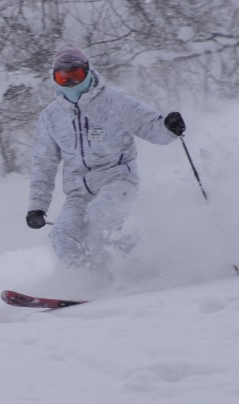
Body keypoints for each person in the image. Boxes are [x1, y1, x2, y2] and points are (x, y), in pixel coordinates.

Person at [26, 45, 186, 270]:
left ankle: (137, 267)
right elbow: (44, 164)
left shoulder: (114, 101)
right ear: (55, 79)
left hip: (118, 179)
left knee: (102, 214)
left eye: (76, 76)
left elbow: (150, 126)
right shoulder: (51, 116)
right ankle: (87, 281)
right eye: (64, 78)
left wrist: (168, 128)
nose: (71, 83)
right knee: (62, 235)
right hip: (78, 194)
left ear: (88, 71)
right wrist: (37, 206)